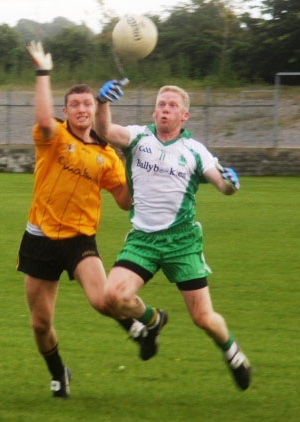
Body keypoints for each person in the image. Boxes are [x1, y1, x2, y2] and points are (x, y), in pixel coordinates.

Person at [17, 42, 161, 400]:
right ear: (66, 112)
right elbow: (41, 120)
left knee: (102, 300)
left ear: (95, 109)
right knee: (40, 324)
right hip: (40, 237)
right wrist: (43, 72)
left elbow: (125, 202)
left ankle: (145, 323)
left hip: (80, 239)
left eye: (88, 104)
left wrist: (136, 172)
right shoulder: (54, 137)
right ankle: (58, 373)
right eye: (75, 104)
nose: (82, 109)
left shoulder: (107, 155)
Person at [94, 80, 251, 391]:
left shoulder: (194, 151)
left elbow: (223, 186)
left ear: (185, 116)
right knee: (112, 296)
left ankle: (233, 353)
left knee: (203, 318)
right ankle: (152, 321)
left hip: (182, 243)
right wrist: (102, 104)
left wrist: (231, 183)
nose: (165, 109)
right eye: (161, 105)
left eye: (172, 106)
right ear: (154, 111)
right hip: (143, 241)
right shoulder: (138, 137)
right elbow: (105, 131)